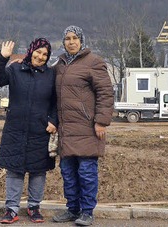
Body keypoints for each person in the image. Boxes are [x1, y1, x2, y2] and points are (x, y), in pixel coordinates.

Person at [51, 25, 114, 226]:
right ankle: (73, 209)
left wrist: (101, 121)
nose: (71, 42)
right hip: (66, 130)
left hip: (87, 128)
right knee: (68, 174)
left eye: (75, 38)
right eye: (67, 38)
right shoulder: (60, 64)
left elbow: (106, 93)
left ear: (81, 40)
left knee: (86, 173)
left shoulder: (93, 62)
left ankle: (87, 212)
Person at [0, 38, 58, 224]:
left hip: (40, 131)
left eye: (45, 54)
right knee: (14, 170)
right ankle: (11, 209)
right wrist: (2, 58)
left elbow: (56, 103)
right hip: (16, 129)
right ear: (31, 51)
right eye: (38, 52)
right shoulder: (15, 69)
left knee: (38, 171)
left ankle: (34, 207)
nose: (41, 56)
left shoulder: (50, 75)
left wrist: (53, 121)